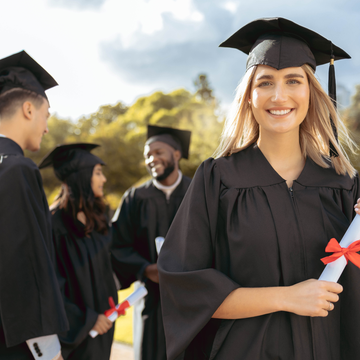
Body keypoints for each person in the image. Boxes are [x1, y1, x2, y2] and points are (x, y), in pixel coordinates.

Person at [158, 17, 360, 360]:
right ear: (249, 96)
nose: (279, 95)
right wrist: (285, 297)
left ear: (311, 91)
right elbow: (185, 287)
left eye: (293, 80)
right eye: (265, 82)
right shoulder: (218, 179)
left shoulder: (343, 184)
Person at [0, 50, 69, 360]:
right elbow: (25, 269)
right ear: (28, 109)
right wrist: (49, 350)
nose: (46, 126)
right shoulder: (16, 168)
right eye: (46, 114)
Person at [111, 125, 192, 360]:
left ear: (176, 154)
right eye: (148, 154)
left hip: (190, 295)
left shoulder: (197, 192)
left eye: (159, 152)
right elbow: (118, 244)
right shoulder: (135, 198)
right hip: (150, 296)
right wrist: (146, 268)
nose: (152, 158)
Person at [38, 143, 118, 360]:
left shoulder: (98, 219)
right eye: (98, 173)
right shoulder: (53, 225)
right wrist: (89, 319)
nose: (103, 179)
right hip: (75, 334)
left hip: (104, 328)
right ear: (82, 176)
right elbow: (49, 286)